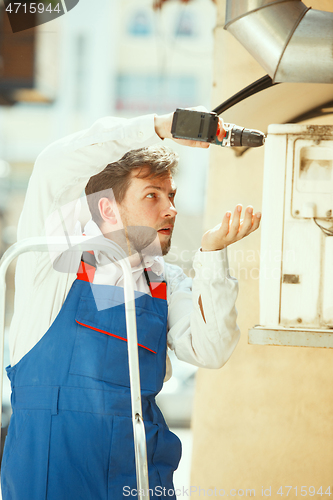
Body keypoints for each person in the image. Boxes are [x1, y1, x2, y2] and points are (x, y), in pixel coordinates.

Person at [1, 108, 261, 500]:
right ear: (107, 209)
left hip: (141, 477)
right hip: (53, 478)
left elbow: (211, 349)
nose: (170, 209)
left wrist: (213, 255)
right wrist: (157, 128)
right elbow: (53, 167)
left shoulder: (164, 280)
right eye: (152, 195)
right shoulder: (55, 265)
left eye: (171, 196)